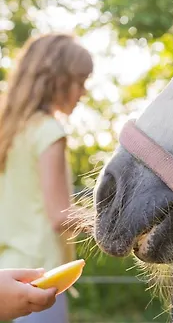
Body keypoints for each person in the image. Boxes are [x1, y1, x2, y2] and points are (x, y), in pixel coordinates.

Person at [0, 33, 93, 322]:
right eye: (80, 81)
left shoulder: (11, 132)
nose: (83, 92)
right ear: (57, 79)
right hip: (41, 277)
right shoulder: (50, 132)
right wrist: (109, 224)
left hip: (8, 274)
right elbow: (59, 215)